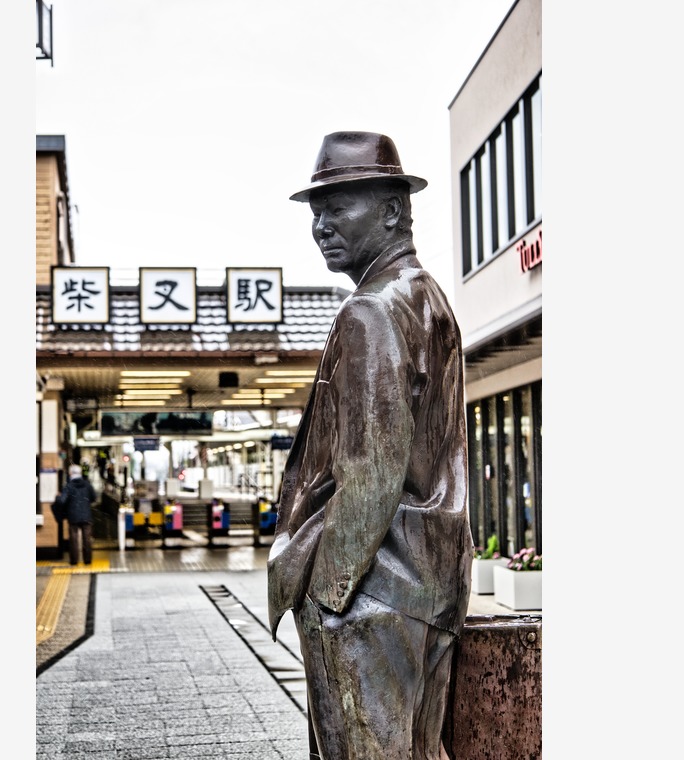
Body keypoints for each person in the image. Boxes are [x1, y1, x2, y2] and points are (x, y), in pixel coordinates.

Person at [267, 131, 472, 760]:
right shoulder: (427, 295)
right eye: (316, 212)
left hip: (370, 590)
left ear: (391, 210)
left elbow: (371, 473)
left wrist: (329, 600)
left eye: (337, 207)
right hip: (429, 581)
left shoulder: (371, 311)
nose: (321, 226)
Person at [54, 464, 97, 566]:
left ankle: (74, 561)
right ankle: (87, 560)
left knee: (73, 540)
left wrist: (58, 497)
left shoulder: (69, 486)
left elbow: (62, 501)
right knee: (87, 539)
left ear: (70, 473)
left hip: (73, 516)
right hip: (86, 515)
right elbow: (94, 498)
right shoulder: (87, 484)